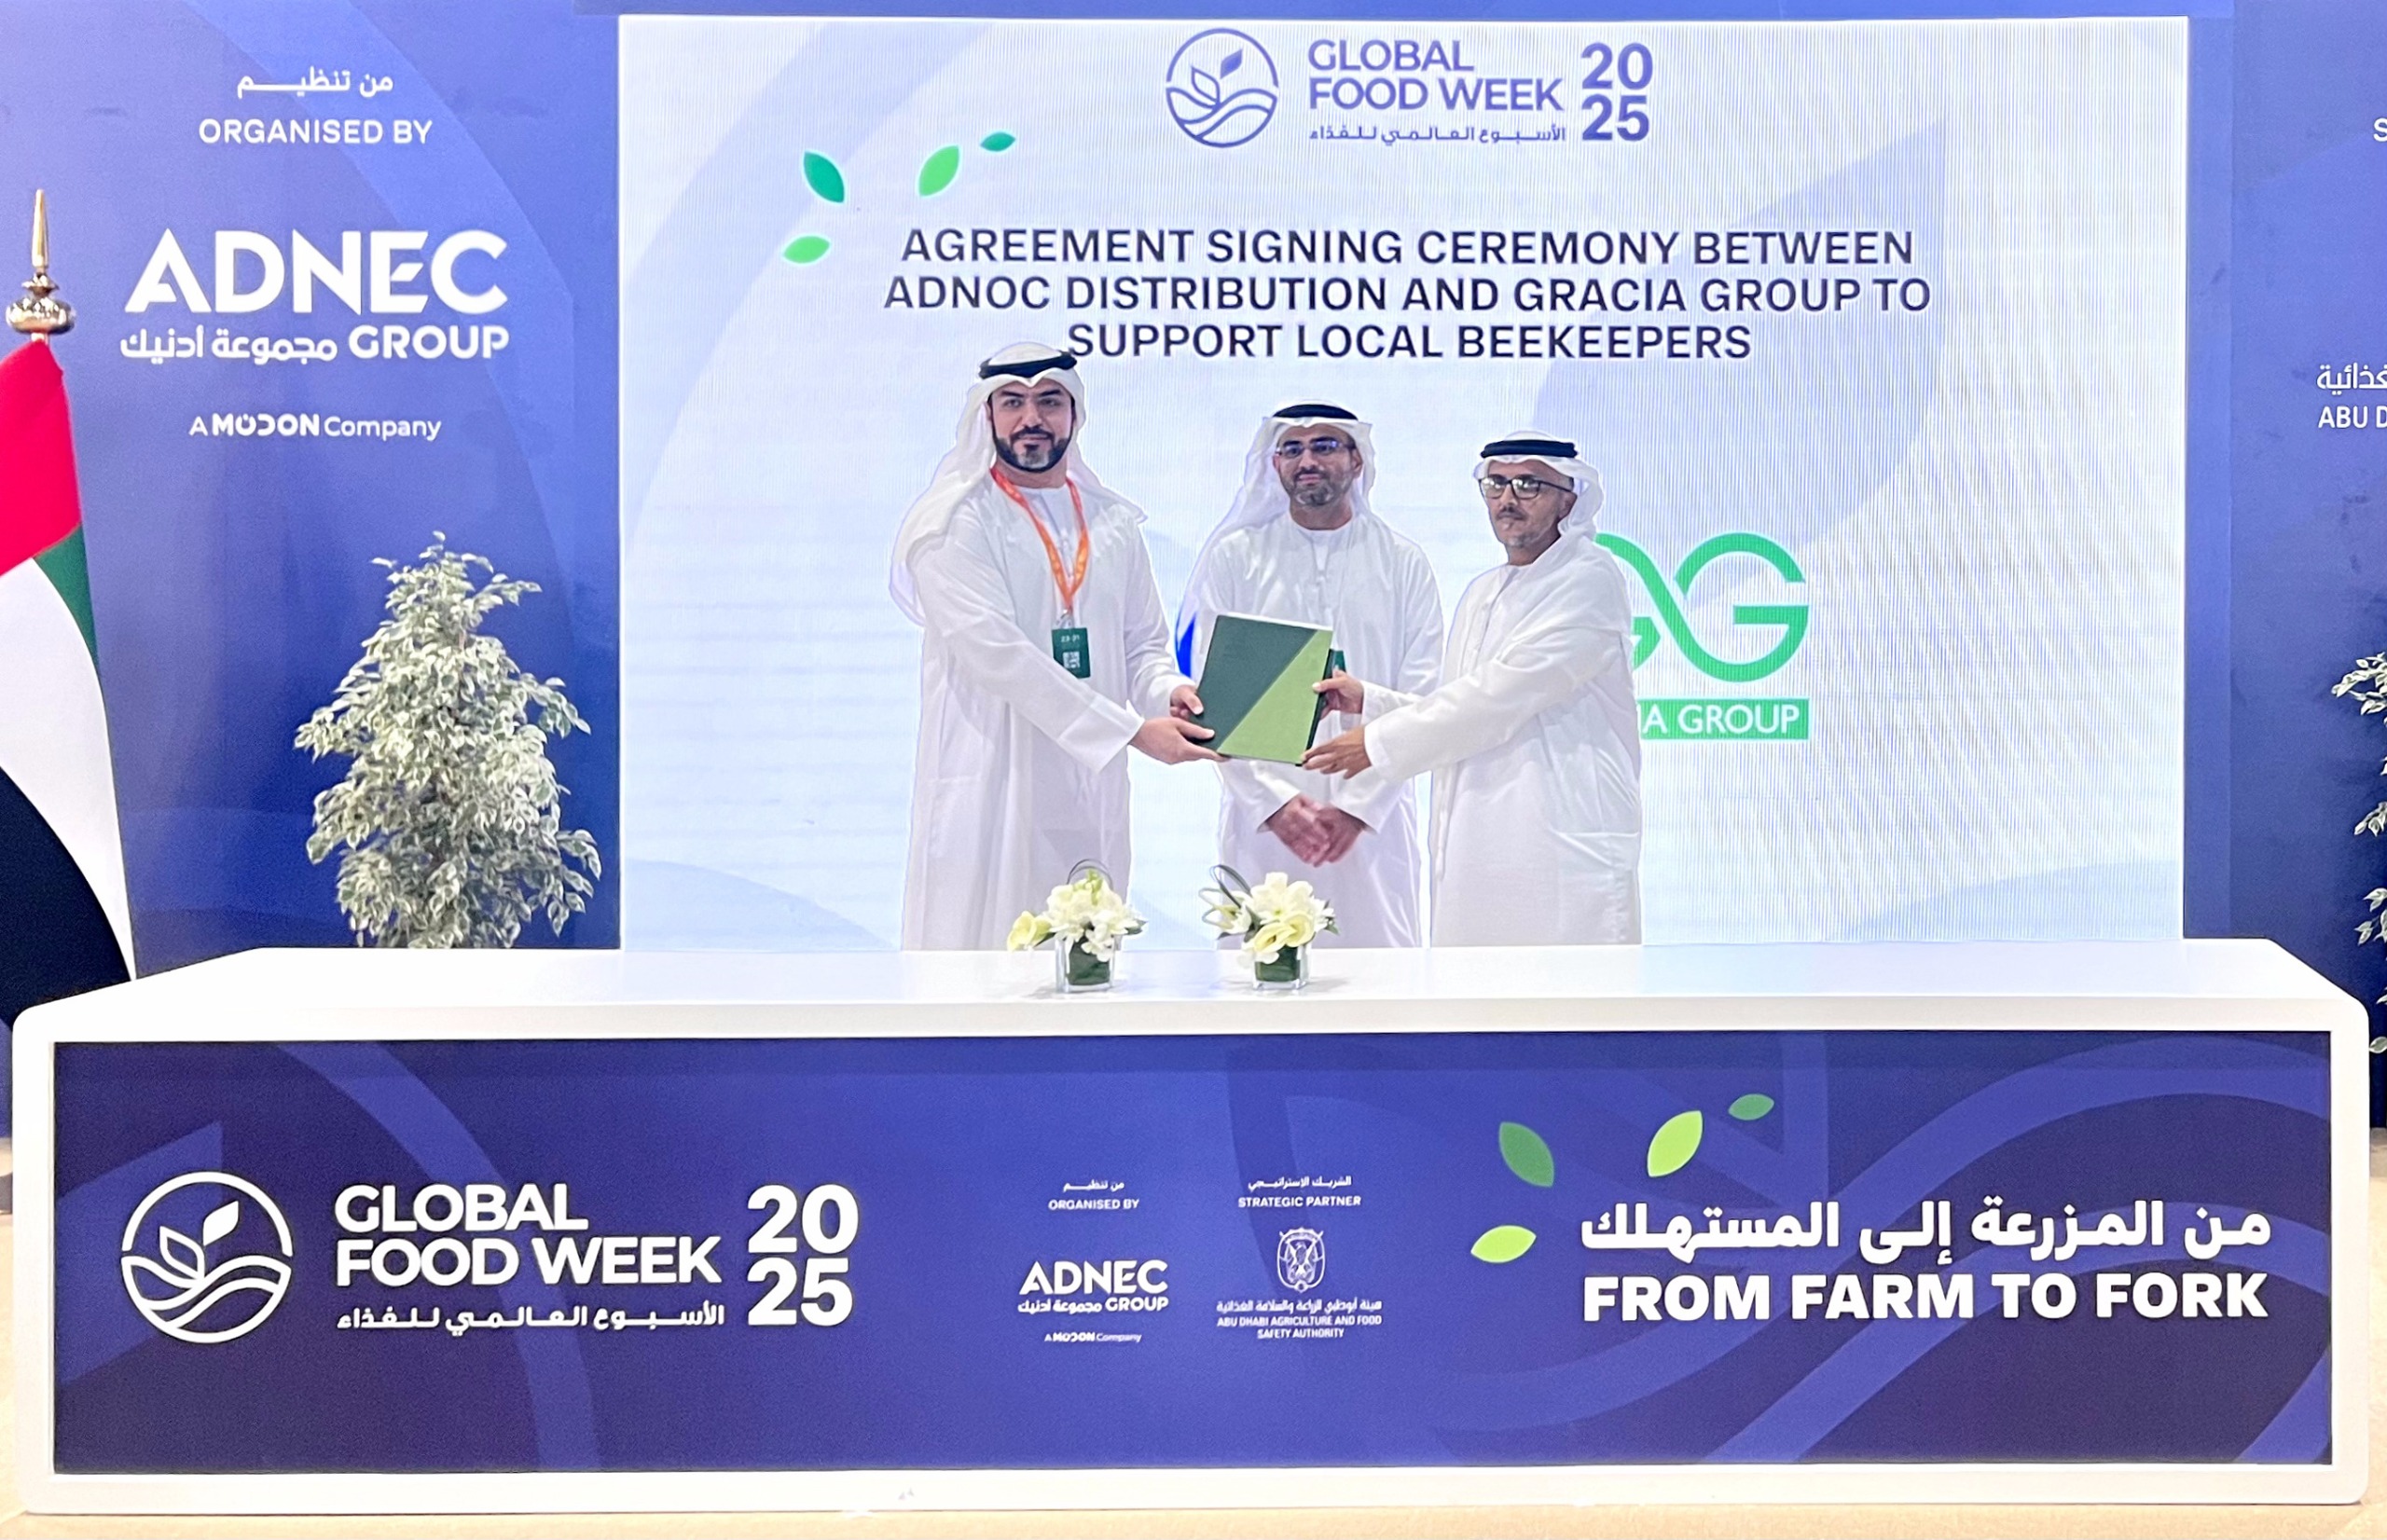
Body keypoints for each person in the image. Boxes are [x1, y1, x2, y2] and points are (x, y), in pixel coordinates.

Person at [890, 344, 1217, 949]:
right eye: (1013, 403)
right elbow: (999, 656)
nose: (1031, 419)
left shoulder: (1113, 523)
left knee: (1085, 947)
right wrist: (1130, 732)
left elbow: (1143, 643)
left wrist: (1170, 694)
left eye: (1048, 401)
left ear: (1075, 413)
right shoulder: (954, 521)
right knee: (984, 953)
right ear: (987, 416)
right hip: (995, 774)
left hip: (1090, 784)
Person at [1302, 431, 1641, 944]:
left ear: (1568, 500)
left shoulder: (1588, 577)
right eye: (1496, 484)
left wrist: (1376, 743)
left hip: (1560, 841)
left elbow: (1497, 699)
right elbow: (1458, 704)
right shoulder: (1484, 590)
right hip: (1477, 839)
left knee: (1566, 989)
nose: (1508, 499)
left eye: (1529, 485)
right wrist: (1371, 701)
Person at [1179, 404, 1442, 946]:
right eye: (1292, 449)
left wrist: (1359, 807)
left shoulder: (1403, 562)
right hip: (1264, 822)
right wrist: (1272, 803)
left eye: (1324, 446)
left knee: (1379, 975)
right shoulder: (1235, 558)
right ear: (1274, 463)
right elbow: (1213, 702)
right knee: (1260, 970)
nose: (1307, 461)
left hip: (1374, 820)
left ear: (1357, 460)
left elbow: (1425, 702)